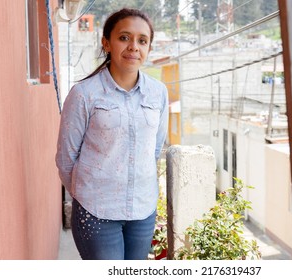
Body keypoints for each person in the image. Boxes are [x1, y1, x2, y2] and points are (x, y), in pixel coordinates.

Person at [55, 8, 169, 260]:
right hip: (97, 211)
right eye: (124, 37)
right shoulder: (84, 94)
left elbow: (155, 149)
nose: (133, 47)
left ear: (149, 47)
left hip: (143, 210)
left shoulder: (158, 93)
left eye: (142, 40)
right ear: (106, 42)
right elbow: (66, 158)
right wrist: (87, 195)